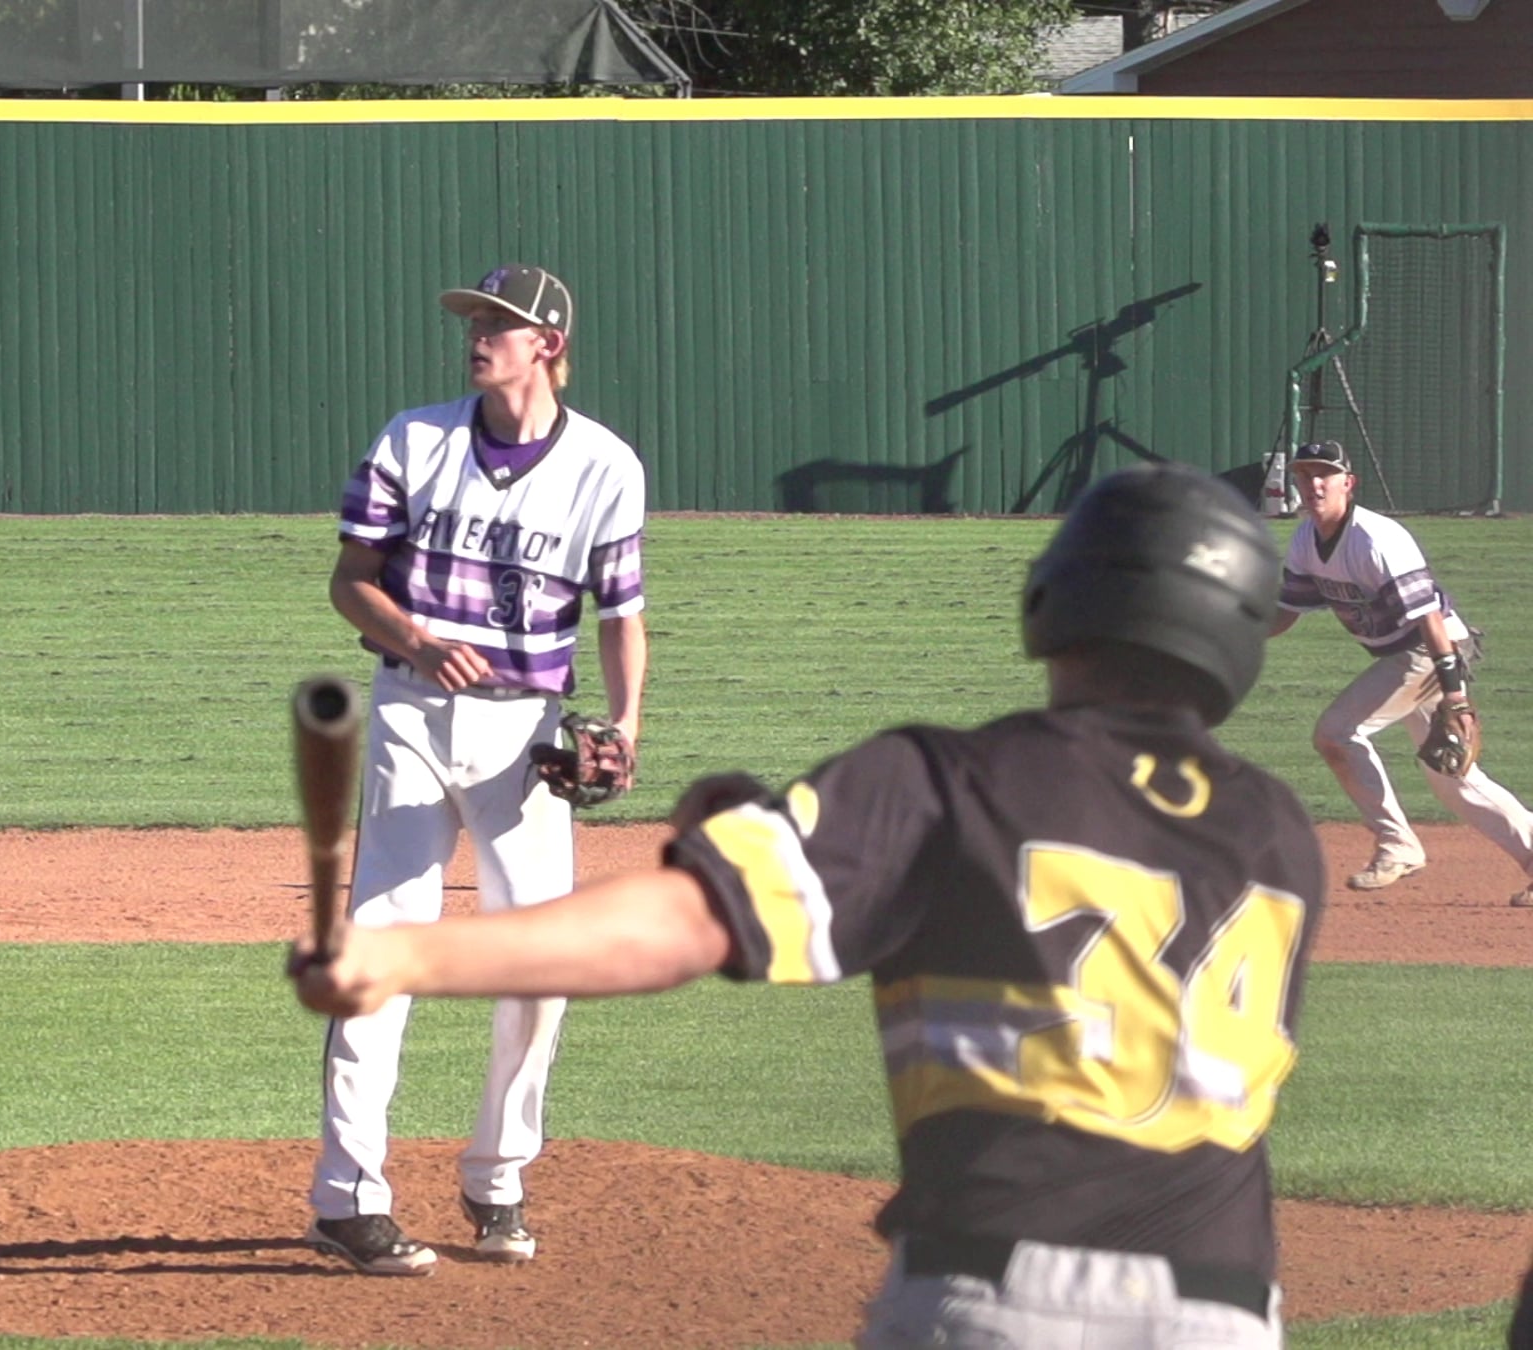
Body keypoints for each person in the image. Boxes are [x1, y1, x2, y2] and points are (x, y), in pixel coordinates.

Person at [294, 463, 1323, 1347]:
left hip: (1005, 1300)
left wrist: (404, 957)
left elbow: (684, 925)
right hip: (1232, 1314)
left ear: (1059, 591)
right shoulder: (1280, 839)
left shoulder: (950, 782)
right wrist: (761, 831)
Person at [305, 263, 649, 1277]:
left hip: (525, 739)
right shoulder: (414, 440)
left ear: (547, 344)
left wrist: (626, 725)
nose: (477, 335)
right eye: (474, 320)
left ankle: (498, 1177)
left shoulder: (606, 466)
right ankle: (347, 1199)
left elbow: (622, 614)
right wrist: (415, 641)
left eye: (498, 323)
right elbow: (350, 582)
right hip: (411, 713)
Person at [1269, 439, 1533, 904]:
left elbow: (1430, 619)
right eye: (1305, 474)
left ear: (1348, 483)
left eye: (1325, 474)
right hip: (1407, 654)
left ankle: (1398, 844)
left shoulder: (1375, 539)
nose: (1314, 483)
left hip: (1432, 649)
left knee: (1337, 732)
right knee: (1455, 781)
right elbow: (1286, 613)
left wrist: (1456, 695)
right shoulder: (1305, 539)